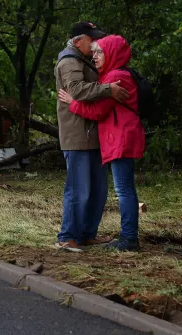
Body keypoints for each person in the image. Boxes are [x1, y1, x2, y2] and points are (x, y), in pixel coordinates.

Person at [58, 34, 145, 251]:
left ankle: (128, 238)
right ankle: (127, 236)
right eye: (94, 51)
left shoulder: (116, 77)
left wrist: (72, 102)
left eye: (99, 52)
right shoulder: (118, 74)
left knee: (123, 190)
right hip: (120, 137)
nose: (95, 57)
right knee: (124, 188)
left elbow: (97, 111)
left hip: (120, 138)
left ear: (112, 53)